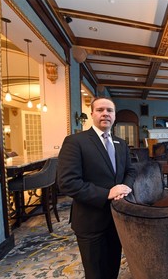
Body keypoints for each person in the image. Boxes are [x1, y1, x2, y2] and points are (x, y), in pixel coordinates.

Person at [57, 97, 136, 279]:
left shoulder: (120, 143)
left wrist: (124, 187)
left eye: (110, 110)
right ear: (92, 114)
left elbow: (130, 171)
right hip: (90, 221)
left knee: (112, 267)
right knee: (95, 273)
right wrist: (107, 193)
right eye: (100, 110)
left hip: (117, 218)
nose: (105, 113)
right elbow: (67, 182)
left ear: (114, 116)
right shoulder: (75, 142)